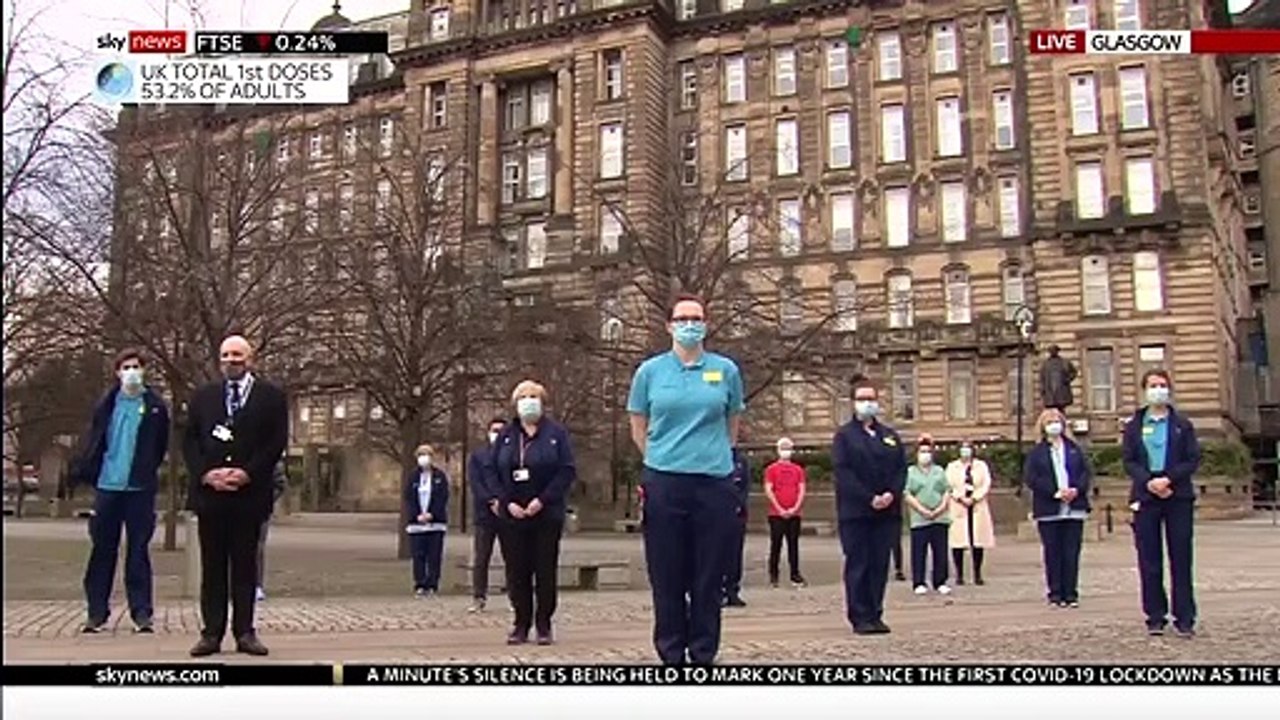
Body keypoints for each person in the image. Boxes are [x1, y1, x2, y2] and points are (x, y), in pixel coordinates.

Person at [627, 293, 745, 665]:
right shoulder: (650, 372)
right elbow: (638, 422)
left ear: (706, 324)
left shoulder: (724, 370)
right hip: (665, 481)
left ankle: (704, 650)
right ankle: (671, 651)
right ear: (669, 326)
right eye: (682, 319)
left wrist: (715, 454)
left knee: (710, 573)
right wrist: (657, 458)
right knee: (667, 571)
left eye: (696, 317)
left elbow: (733, 421)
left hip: (713, 481)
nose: (689, 324)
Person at [184, 335, 288, 657]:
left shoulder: (271, 397)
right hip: (211, 497)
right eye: (226, 355)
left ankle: (245, 632)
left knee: (244, 566)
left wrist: (248, 473)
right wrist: (206, 473)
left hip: (249, 496)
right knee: (212, 567)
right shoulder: (203, 397)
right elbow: (189, 441)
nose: (232, 360)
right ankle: (211, 633)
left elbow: (275, 442)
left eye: (238, 355)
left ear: (251, 359)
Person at [71, 348, 170, 634]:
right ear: (117, 372)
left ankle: (141, 613)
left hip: (139, 488)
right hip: (108, 486)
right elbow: (94, 439)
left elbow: (160, 444)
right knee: (102, 549)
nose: (131, 372)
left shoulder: (155, 406)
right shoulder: (106, 405)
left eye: (136, 366)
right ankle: (96, 612)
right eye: (126, 367)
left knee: (138, 551)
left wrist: (148, 468)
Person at [488, 380, 576, 645]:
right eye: (523, 396)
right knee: (517, 571)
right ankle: (520, 622)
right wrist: (506, 502)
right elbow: (492, 472)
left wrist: (543, 500)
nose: (528, 400)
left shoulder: (556, 434)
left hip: (545, 514)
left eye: (533, 396)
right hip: (513, 515)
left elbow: (566, 470)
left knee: (544, 570)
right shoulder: (506, 436)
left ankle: (544, 623)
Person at [1122, 369, 1202, 637]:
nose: (1158, 389)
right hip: (1146, 495)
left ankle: (1185, 618)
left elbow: (1192, 459)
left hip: (1177, 495)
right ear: (1145, 390)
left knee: (1180, 558)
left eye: (1163, 385)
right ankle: (1155, 615)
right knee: (1149, 558)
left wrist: (1169, 480)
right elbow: (1129, 460)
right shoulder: (1134, 425)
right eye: (1153, 385)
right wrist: (1149, 482)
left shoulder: (1182, 424)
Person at [832, 374, 906, 635]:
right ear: (853, 403)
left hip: (887, 513)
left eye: (871, 399)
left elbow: (900, 469)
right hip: (857, 513)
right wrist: (868, 497)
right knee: (859, 564)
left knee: (879, 564)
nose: (867, 404)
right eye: (862, 399)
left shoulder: (889, 436)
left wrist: (890, 494)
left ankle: (876, 613)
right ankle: (860, 615)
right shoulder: (844, 437)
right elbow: (844, 473)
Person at [1023, 408, 1092, 609]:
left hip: (1074, 507)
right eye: (1049, 421)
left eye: (1057, 421)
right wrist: (1054, 492)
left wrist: (1075, 490)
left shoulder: (1074, 448)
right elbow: (1032, 478)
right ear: (1043, 427)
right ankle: (1055, 593)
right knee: (1053, 552)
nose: (1054, 424)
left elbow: (1085, 473)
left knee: (1072, 551)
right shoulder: (1037, 453)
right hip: (1049, 509)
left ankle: (1071, 593)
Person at [468, 418, 508, 613]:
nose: (497, 434)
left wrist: (504, 502)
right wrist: (491, 501)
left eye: (501, 430)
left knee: (513, 557)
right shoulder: (478, 455)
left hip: (508, 513)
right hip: (485, 514)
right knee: (482, 557)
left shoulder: (512, 455)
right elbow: (476, 482)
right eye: (494, 430)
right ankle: (479, 596)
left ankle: (514, 596)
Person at [905, 436, 951, 596]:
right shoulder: (910, 472)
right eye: (922, 451)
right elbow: (907, 493)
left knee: (941, 550)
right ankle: (919, 582)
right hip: (919, 518)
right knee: (919, 551)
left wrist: (940, 508)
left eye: (928, 451)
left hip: (940, 516)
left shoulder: (939, 471)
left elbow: (947, 490)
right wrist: (922, 510)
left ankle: (940, 581)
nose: (925, 455)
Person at [945, 440, 996, 585]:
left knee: (977, 540)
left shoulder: (981, 466)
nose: (965, 451)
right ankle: (959, 575)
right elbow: (948, 484)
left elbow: (986, 483)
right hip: (958, 505)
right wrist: (960, 497)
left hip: (977, 505)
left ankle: (977, 574)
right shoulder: (952, 467)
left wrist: (975, 498)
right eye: (963, 448)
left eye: (968, 448)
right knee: (958, 541)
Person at [403, 443, 449, 597]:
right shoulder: (413, 477)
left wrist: (432, 514)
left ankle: (432, 584)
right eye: (421, 455)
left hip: (435, 524)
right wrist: (417, 515)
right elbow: (409, 498)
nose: (424, 458)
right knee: (419, 555)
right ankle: (420, 584)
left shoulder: (439, 477)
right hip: (417, 523)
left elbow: (442, 498)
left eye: (427, 454)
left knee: (434, 555)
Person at [764, 437, 807, 589]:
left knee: (793, 545)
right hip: (776, 514)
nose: (786, 450)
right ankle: (773, 575)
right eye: (783, 447)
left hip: (794, 514)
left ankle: (795, 574)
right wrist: (779, 508)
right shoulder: (771, 469)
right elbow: (769, 490)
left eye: (788, 447)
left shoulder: (798, 470)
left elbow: (801, 489)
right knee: (776, 545)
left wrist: (795, 508)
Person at [721, 444, 751, 607]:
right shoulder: (714, 456)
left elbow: (745, 486)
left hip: (737, 513)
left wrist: (740, 504)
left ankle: (732, 590)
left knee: (735, 555)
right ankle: (718, 591)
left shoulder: (741, 460)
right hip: (716, 512)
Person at [255, 457, 288, 602]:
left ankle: (256, 585)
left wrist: (264, 499)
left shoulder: (267, 453)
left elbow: (279, 483)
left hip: (258, 509)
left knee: (256, 548)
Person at [1039, 345, 1078, 413]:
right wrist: (1043, 390)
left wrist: (1067, 379)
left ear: (1057, 351)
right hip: (1050, 392)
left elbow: (1074, 372)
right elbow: (1042, 378)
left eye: (1054, 350)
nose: (1052, 352)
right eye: (1051, 351)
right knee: (1052, 412)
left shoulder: (1064, 362)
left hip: (1061, 391)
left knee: (1061, 410)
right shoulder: (1046, 364)